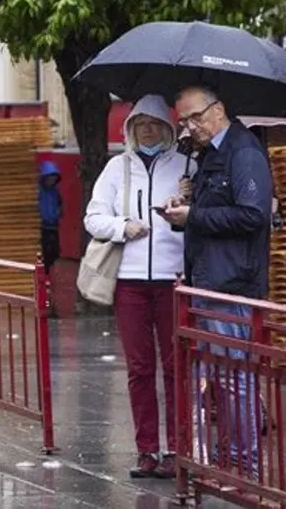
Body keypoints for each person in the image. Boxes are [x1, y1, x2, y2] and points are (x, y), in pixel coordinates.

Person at [161, 85, 272, 477]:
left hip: (232, 282)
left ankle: (244, 465)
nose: (191, 127)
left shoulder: (243, 152)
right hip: (208, 279)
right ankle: (229, 460)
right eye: (184, 121)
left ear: (219, 109)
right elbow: (215, 212)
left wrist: (193, 216)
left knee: (234, 377)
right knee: (222, 378)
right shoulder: (208, 155)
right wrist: (185, 205)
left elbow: (253, 215)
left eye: (196, 117)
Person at [84, 94, 194, 479]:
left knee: (176, 367)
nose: (147, 131)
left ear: (167, 128)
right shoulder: (117, 168)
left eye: (154, 124)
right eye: (140, 124)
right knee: (139, 368)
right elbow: (93, 217)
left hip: (173, 279)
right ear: (130, 130)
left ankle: (177, 450)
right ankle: (146, 449)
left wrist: (189, 201)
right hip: (129, 282)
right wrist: (122, 226)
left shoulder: (187, 166)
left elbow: (201, 219)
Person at [37, 160, 62, 275]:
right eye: (50, 178)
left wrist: (58, 213)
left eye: (54, 178)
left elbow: (59, 204)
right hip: (42, 227)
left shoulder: (55, 192)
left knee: (54, 252)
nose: (52, 180)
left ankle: (47, 272)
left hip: (53, 226)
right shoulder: (39, 191)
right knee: (44, 252)